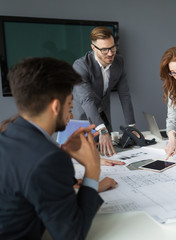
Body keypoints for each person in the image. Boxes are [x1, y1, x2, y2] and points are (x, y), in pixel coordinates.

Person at [0, 57, 103, 239]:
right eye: (70, 105)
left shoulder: (7, 132)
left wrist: (61, 155)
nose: (70, 114)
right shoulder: (48, 159)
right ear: (56, 106)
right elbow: (72, 235)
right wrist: (93, 171)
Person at [73, 26, 136, 157]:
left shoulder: (119, 62)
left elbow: (124, 94)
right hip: (83, 118)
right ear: (93, 48)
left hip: (104, 116)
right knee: (84, 157)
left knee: (110, 154)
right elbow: (86, 100)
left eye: (112, 47)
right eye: (104, 49)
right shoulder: (80, 66)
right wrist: (101, 130)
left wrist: (131, 126)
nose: (110, 53)